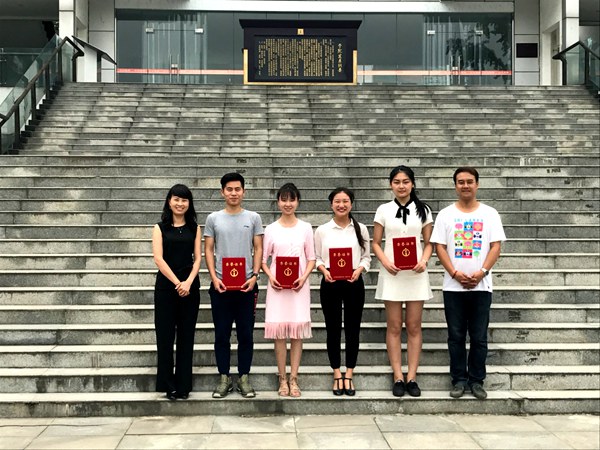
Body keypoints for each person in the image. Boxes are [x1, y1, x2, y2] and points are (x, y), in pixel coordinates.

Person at [430, 167, 506, 400]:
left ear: (477, 184)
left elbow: (496, 246)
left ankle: (476, 381)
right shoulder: (445, 214)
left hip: (481, 286)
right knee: (455, 336)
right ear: (455, 186)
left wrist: (482, 272)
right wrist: (454, 273)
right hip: (453, 287)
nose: (465, 185)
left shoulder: (490, 213)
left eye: (469, 181)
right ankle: (459, 380)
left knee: (479, 337)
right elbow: (439, 247)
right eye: (461, 182)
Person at [372, 165, 433, 398]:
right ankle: (398, 375)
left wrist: (424, 261)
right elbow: (376, 242)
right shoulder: (383, 210)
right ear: (391, 184)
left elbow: (429, 242)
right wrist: (386, 262)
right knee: (395, 325)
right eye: (397, 182)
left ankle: (412, 376)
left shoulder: (424, 210)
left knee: (414, 325)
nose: (401, 186)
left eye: (405, 181)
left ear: (412, 184)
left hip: (415, 274)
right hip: (393, 273)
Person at [204, 172, 263, 398]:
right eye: (229, 189)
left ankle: (244, 377)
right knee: (222, 334)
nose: (234, 193)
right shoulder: (213, 219)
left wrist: (255, 275)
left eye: (238, 189)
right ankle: (224, 378)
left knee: (246, 334)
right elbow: (208, 249)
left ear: (244, 191)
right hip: (221, 286)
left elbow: (258, 248)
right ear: (222, 192)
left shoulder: (253, 218)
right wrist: (214, 277)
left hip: (246, 286)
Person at [314, 187, 371, 396]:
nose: (341, 205)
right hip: (330, 282)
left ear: (351, 204)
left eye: (345, 201)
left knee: (353, 329)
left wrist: (359, 270)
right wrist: (323, 270)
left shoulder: (360, 229)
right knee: (333, 328)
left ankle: (349, 373)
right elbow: (317, 257)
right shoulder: (322, 230)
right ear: (331, 204)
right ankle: (337, 373)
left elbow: (366, 257)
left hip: (354, 282)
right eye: (337, 201)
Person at [261, 183, 316, 397]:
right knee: (279, 333)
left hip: (298, 287)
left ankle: (294, 378)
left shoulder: (306, 228)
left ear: (298, 202)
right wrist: (271, 276)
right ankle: (282, 378)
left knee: (296, 332)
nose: (288, 204)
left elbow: (311, 258)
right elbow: (263, 260)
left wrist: (303, 277)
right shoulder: (271, 229)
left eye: (292, 199)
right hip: (277, 287)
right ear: (278, 202)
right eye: (284, 199)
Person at [151, 184, 201, 400]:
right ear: (169, 201)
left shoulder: (194, 228)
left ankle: (183, 385)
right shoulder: (159, 228)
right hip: (166, 288)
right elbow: (158, 258)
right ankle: (167, 384)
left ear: (189, 203)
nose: (180, 204)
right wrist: (177, 283)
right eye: (176, 199)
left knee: (186, 336)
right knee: (165, 336)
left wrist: (188, 282)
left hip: (190, 288)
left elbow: (198, 258)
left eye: (184, 200)